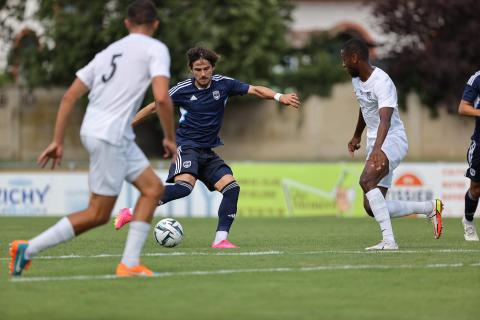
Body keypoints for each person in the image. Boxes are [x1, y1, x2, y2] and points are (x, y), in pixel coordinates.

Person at [9, 0, 176, 277]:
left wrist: (58, 140)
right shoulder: (156, 48)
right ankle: (29, 248)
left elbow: (69, 96)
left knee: (153, 189)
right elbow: (161, 98)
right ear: (155, 24)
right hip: (110, 135)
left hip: (102, 132)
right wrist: (170, 137)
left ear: (126, 24)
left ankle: (130, 264)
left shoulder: (108, 52)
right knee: (98, 213)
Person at [114, 47, 300, 248]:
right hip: (187, 147)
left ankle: (220, 240)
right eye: (197, 69)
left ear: (212, 68)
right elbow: (154, 106)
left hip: (207, 152)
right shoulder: (182, 90)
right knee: (184, 188)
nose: (202, 74)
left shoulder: (224, 84)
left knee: (232, 188)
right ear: (191, 69)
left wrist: (279, 97)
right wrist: (128, 124)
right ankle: (130, 212)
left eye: (206, 69)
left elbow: (255, 89)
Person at [340, 38, 443, 250]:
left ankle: (389, 241)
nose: (343, 64)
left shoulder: (382, 81)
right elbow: (365, 107)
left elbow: (385, 119)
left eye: (344, 60)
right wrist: (357, 135)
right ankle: (429, 208)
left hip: (392, 140)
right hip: (375, 142)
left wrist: (378, 149)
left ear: (354, 57)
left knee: (366, 180)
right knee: (371, 206)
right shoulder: (357, 80)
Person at [457, 70, 480, 241]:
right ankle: (468, 221)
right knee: (476, 188)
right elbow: (463, 107)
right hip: (479, 144)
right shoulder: (477, 79)